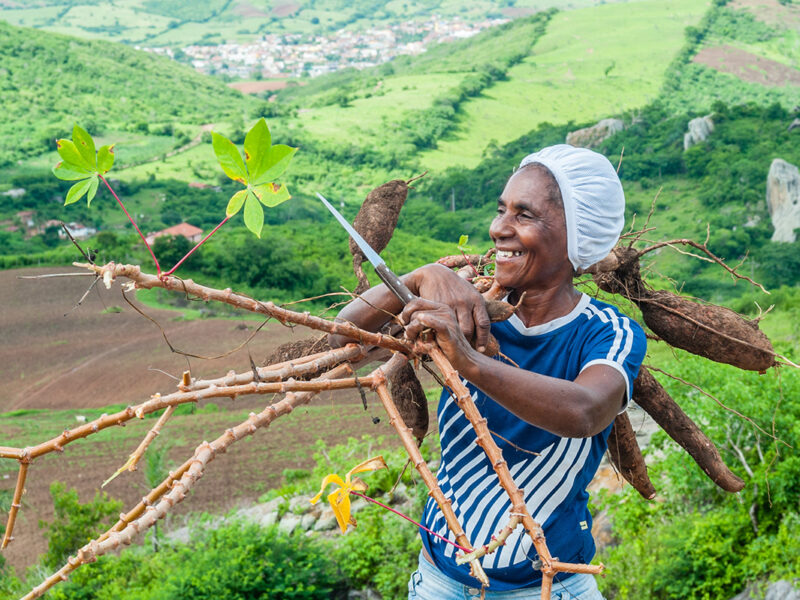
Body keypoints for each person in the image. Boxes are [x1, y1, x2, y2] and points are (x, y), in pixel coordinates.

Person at [330, 144, 646, 599]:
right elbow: (340, 343)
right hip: (439, 580)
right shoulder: (466, 310)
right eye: (501, 210)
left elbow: (586, 412)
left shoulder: (608, 333)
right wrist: (421, 277)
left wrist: (470, 361)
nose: (499, 228)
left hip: (545, 586)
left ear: (573, 234)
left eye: (525, 215)